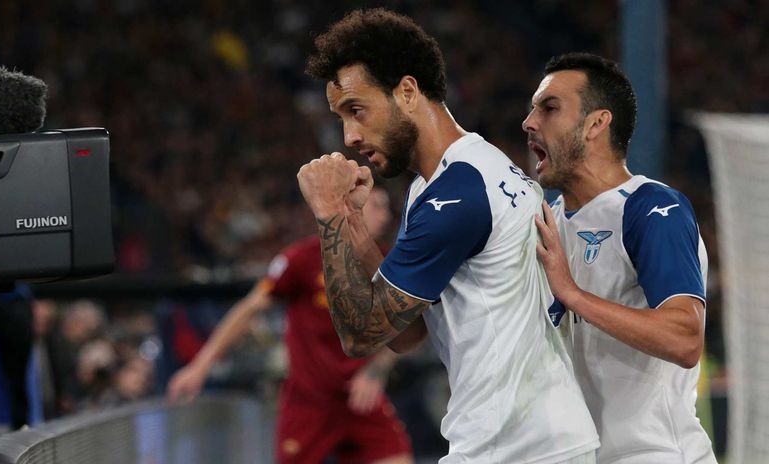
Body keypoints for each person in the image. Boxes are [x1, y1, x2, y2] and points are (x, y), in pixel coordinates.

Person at [297, 9, 598, 464]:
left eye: (356, 110)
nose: (349, 136)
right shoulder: (457, 178)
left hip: (518, 446)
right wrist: (351, 221)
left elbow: (361, 337)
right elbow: (406, 333)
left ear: (407, 91)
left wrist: (327, 215)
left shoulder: (456, 195)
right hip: (533, 438)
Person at [525, 52, 716, 463]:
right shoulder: (547, 223)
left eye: (549, 108)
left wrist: (573, 295)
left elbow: (685, 339)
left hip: (658, 454)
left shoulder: (650, 208)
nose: (529, 122)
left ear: (596, 124)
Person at [167, 187, 414, 464]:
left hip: (360, 399)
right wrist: (201, 365)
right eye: (377, 206)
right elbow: (249, 309)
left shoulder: (384, 264)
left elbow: (406, 327)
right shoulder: (302, 258)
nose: (386, 216)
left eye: (387, 208)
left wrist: (375, 371)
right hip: (309, 402)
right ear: (350, 207)